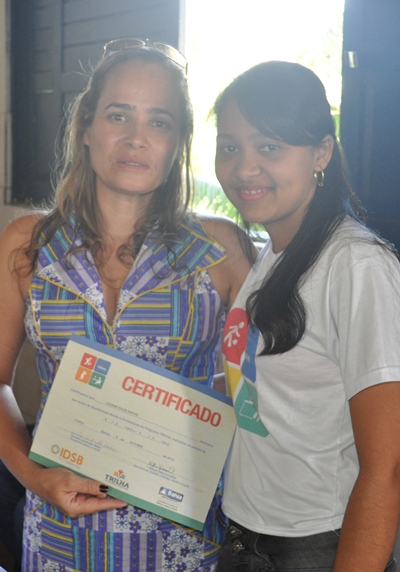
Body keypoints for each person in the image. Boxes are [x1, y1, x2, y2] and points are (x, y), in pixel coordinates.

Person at [0, 38, 254, 571]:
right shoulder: (28, 245)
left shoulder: (221, 251)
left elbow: (268, 389)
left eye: (159, 122)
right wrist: (34, 476)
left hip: (181, 548)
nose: (136, 138)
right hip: (60, 542)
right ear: (86, 127)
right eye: (118, 115)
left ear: (178, 142)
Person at [213, 60, 400, 571]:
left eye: (270, 147)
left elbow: (387, 467)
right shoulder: (274, 253)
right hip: (246, 535)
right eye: (229, 147)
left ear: (321, 152)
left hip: (315, 547)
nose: (244, 168)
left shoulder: (355, 265)